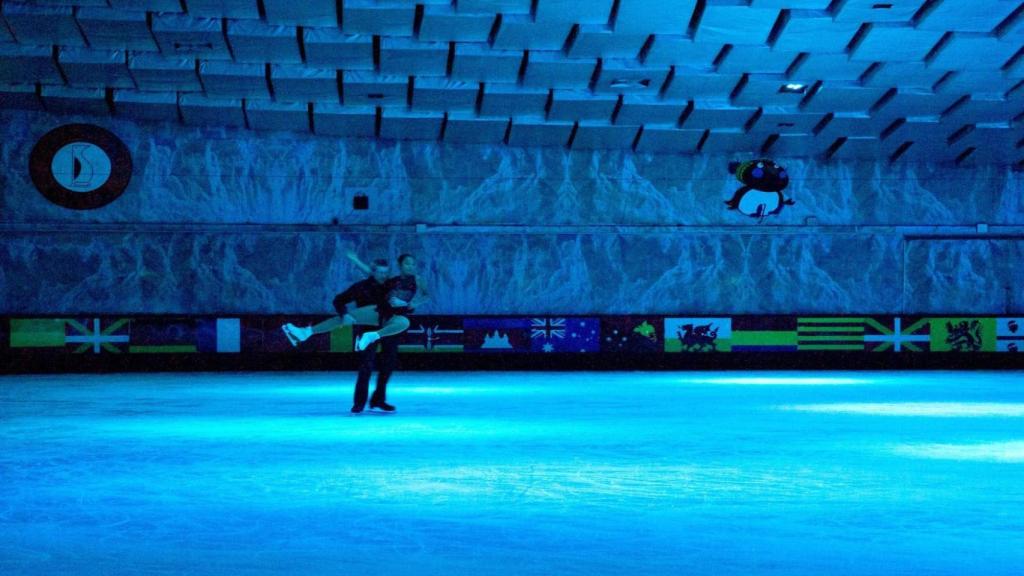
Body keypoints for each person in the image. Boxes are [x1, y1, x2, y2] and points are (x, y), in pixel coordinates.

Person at [281, 251, 410, 353]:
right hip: (368, 317)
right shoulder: (361, 287)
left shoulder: (391, 284)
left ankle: (374, 335)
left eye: (386, 273)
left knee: (404, 322)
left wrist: (402, 304)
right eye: (381, 272)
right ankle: (306, 332)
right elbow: (339, 300)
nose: (384, 275)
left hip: (385, 322)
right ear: (373, 272)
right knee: (353, 317)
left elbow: (403, 300)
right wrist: (344, 314)